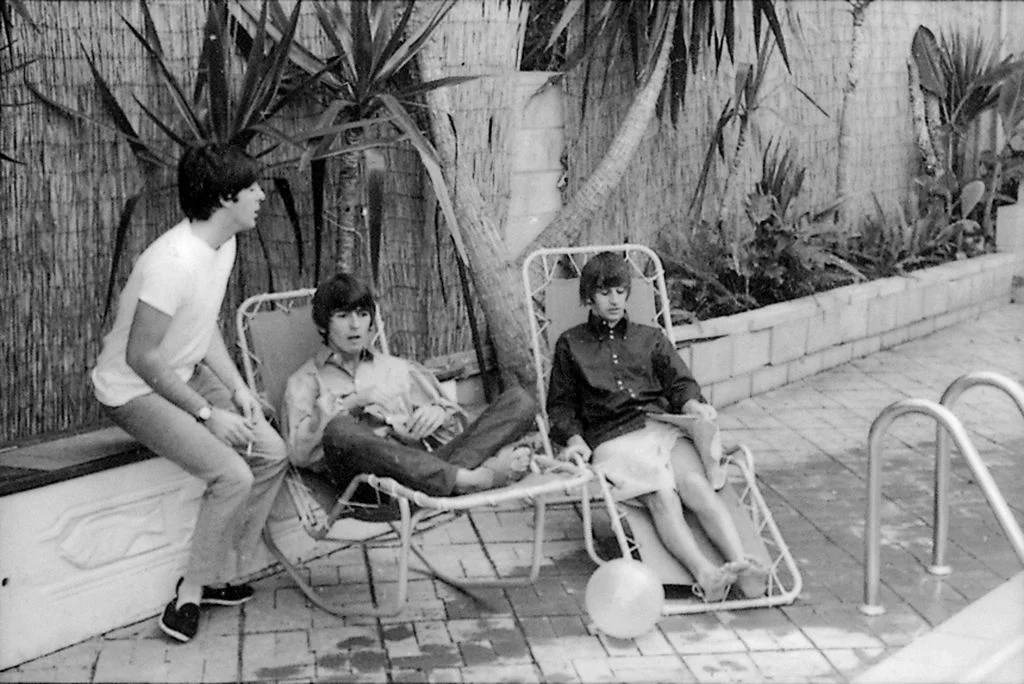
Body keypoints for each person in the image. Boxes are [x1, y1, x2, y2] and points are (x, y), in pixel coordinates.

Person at [90, 143, 289, 643]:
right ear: (225, 197)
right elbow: (141, 357)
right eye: (251, 188)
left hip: (180, 371)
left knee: (272, 451)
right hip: (132, 391)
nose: (262, 195)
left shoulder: (223, 245)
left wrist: (238, 389)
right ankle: (189, 594)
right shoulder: (171, 262)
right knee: (231, 474)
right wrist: (206, 413)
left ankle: (219, 571)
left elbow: (203, 327)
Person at [545, 251, 767, 601]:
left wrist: (693, 405)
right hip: (611, 438)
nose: (614, 300)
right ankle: (705, 573)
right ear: (589, 297)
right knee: (662, 495)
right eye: (605, 293)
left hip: (658, 427)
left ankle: (742, 565)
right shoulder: (571, 344)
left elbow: (680, 384)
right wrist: (573, 439)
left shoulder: (650, 338)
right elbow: (559, 405)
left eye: (620, 291)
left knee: (695, 486)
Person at [281, 273, 539, 499]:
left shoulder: (397, 368)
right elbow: (300, 454)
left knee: (521, 401)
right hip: (369, 486)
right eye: (343, 316)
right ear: (323, 323)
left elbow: (459, 429)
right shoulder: (304, 381)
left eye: (362, 314)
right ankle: (463, 480)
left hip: (425, 470)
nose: (355, 325)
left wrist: (440, 413)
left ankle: (456, 480)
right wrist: (349, 404)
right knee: (340, 429)